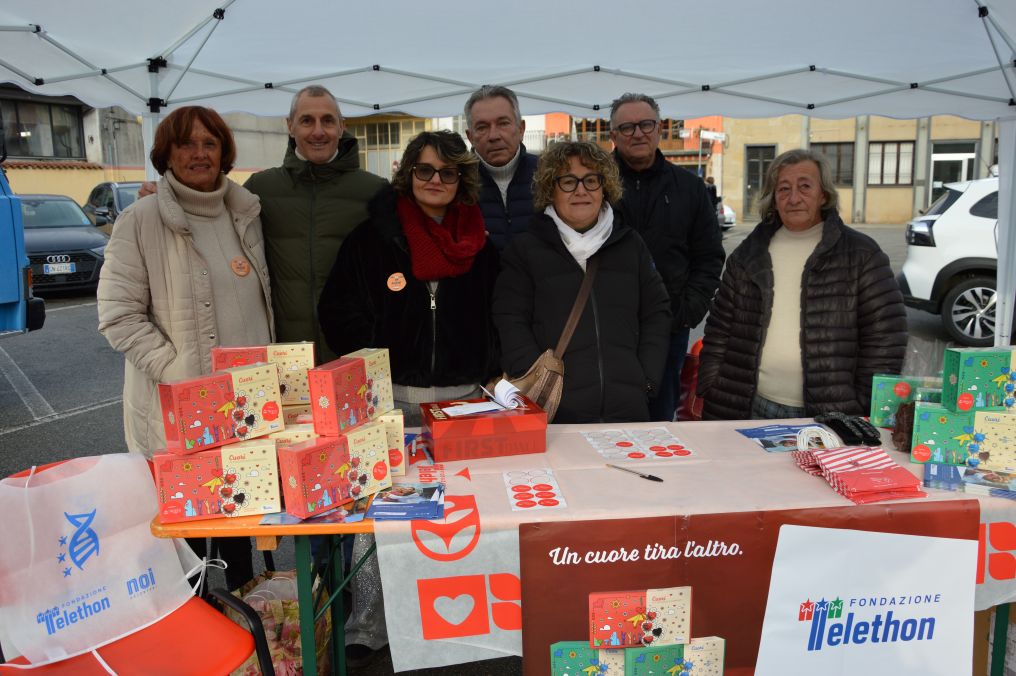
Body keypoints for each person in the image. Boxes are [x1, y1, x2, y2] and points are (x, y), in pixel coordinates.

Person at [317, 130, 500, 663]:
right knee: (380, 513)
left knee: (464, 514)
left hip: (466, 398)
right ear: (408, 174)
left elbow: (502, 313)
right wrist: (378, 348)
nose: (436, 181)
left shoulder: (481, 243)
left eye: (448, 172)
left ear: (463, 179)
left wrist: (486, 366)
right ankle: (368, 623)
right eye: (425, 171)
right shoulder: (372, 237)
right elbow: (338, 310)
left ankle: (459, 616)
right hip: (387, 400)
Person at [97, 105, 272, 590]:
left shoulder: (246, 212)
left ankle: (243, 647)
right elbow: (118, 317)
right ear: (166, 154)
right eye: (186, 144)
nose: (199, 153)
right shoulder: (141, 219)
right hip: (180, 414)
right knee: (189, 553)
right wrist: (179, 373)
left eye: (209, 143)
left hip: (245, 414)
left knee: (239, 536)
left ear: (224, 153)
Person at [696, 148, 907, 420]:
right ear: (773, 199)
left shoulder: (861, 254)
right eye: (783, 189)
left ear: (824, 194)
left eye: (804, 186)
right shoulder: (748, 254)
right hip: (746, 407)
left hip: (830, 415)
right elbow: (719, 329)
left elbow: (885, 338)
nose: (793, 198)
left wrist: (862, 404)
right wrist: (711, 384)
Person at [493, 142, 671, 422]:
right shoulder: (525, 250)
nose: (581, 190)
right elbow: (509, 320)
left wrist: (645, 378)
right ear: (550, 189)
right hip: (555, 411)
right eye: (568, 181)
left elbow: (656, 313)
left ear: (605, 187)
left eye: (591, 180)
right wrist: (538, 378)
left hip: (628, 409)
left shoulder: (630, 245)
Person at [244, 85, 387, 362]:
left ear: (342, 126)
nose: (318, 131)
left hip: (355, 353)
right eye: (307, 120)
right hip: (285, 355)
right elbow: (210, 212)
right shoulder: (259, 188)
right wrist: (163, 196)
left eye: (328, 121)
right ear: (290, 126)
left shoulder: (376, 191)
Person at [609, 93, 726, 422]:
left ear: (659, 129)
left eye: (646, 124)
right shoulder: (594, 186)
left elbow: (709, 257)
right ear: (613, 135)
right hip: (606, 330)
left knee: (660, 418)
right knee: (608, 419)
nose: (638, 133)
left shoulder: (689, 188)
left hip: (668, 329)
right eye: (627, 127)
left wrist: (687, 312)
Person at [464, 85, 539, 250]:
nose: (494, 136)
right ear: (470, 137)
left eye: (503, 123)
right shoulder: (458, 183)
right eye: (482, 127)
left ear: (521, 129)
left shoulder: (549, 174)